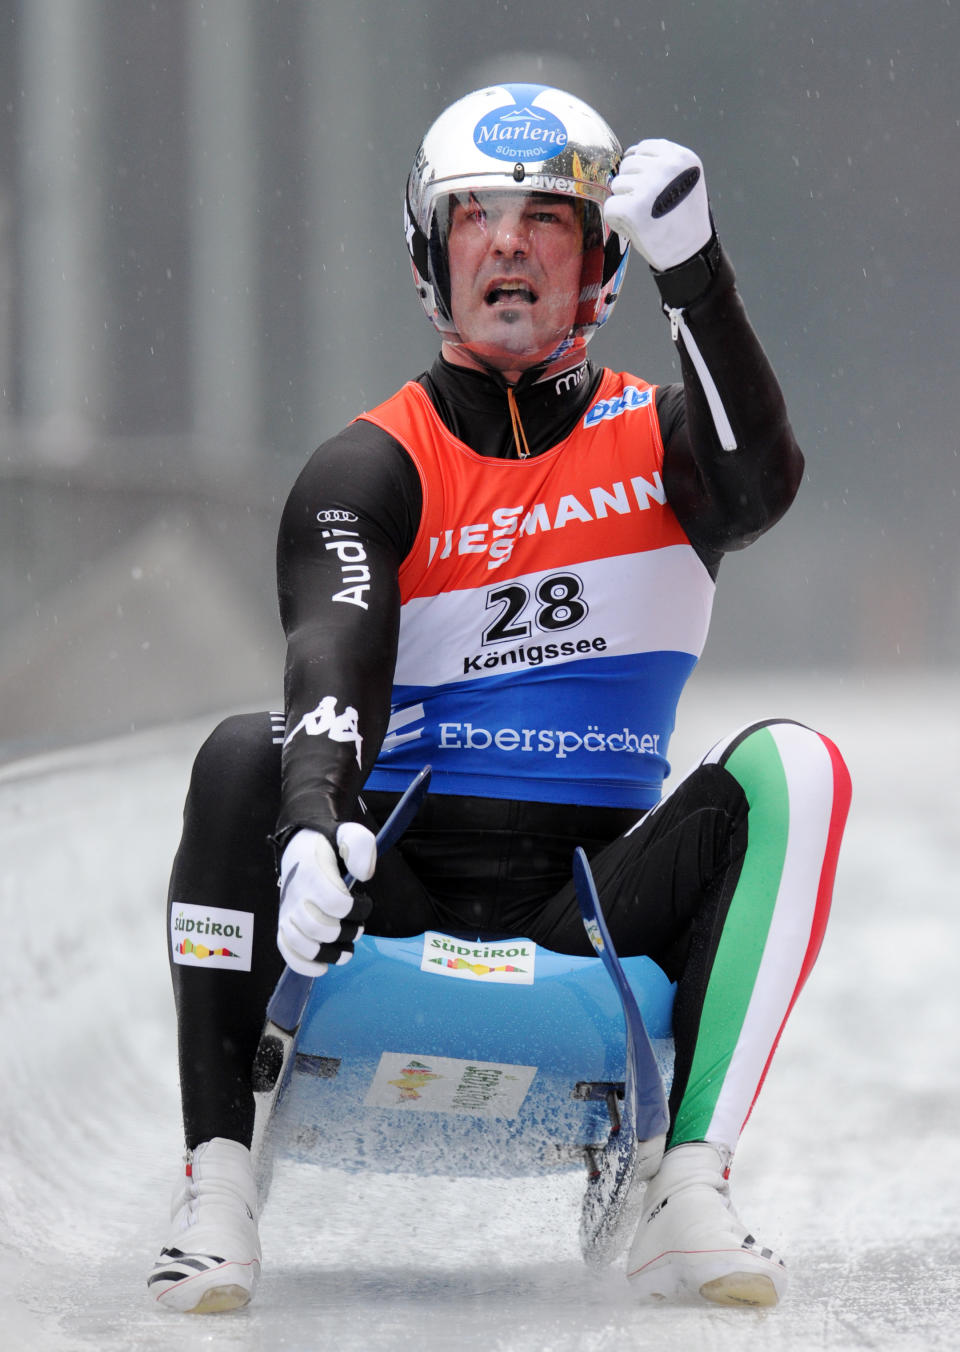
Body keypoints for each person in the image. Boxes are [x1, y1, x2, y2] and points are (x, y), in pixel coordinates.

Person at [148, 83, 851, 1314]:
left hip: (596, 909)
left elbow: (759, 490)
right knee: (237, 756)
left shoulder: (669, 438)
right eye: (477, 216)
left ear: (600, 261)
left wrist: (704, 282)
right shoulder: (370, 462)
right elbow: (330, 649)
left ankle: (688, 1184)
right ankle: (214, 1182)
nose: (511, 243)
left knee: (799, 763)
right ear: (434, 254)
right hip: (393, 881)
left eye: (547, 219)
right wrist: (316, 813)